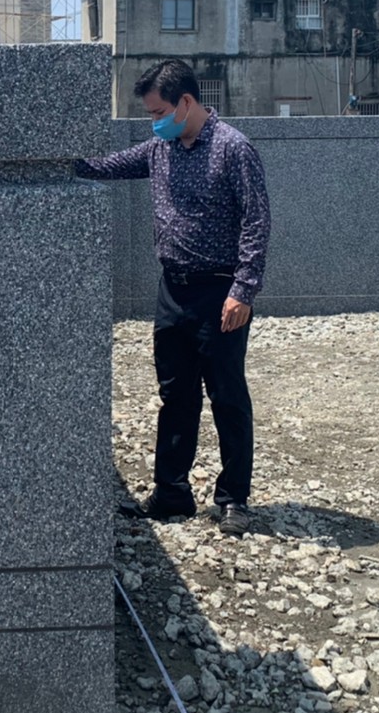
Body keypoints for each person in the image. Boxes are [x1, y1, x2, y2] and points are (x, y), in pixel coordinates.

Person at [77, 59, 270, 537]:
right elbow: (103, 167)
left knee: (227, 395)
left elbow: (256, 221)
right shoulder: (160, 149)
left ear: (186, 102)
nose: (154, 122)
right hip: (173, 289)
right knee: (175, 394)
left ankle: (233, 499)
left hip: (220, 291)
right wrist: (50, 156)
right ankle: (171, 493)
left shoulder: (233, 148)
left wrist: (243, 289)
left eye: (159, 112)